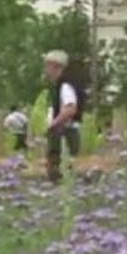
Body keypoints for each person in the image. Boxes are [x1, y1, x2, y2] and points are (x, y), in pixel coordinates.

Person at [43, 50, 84, 183]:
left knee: (60, 171)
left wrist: (53, 125)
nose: (46, 69)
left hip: (65, 132)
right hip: (66, 131)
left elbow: (70, 109)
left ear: (56, 66)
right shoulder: (65, 84)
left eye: (47, 65)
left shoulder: (65, 85)